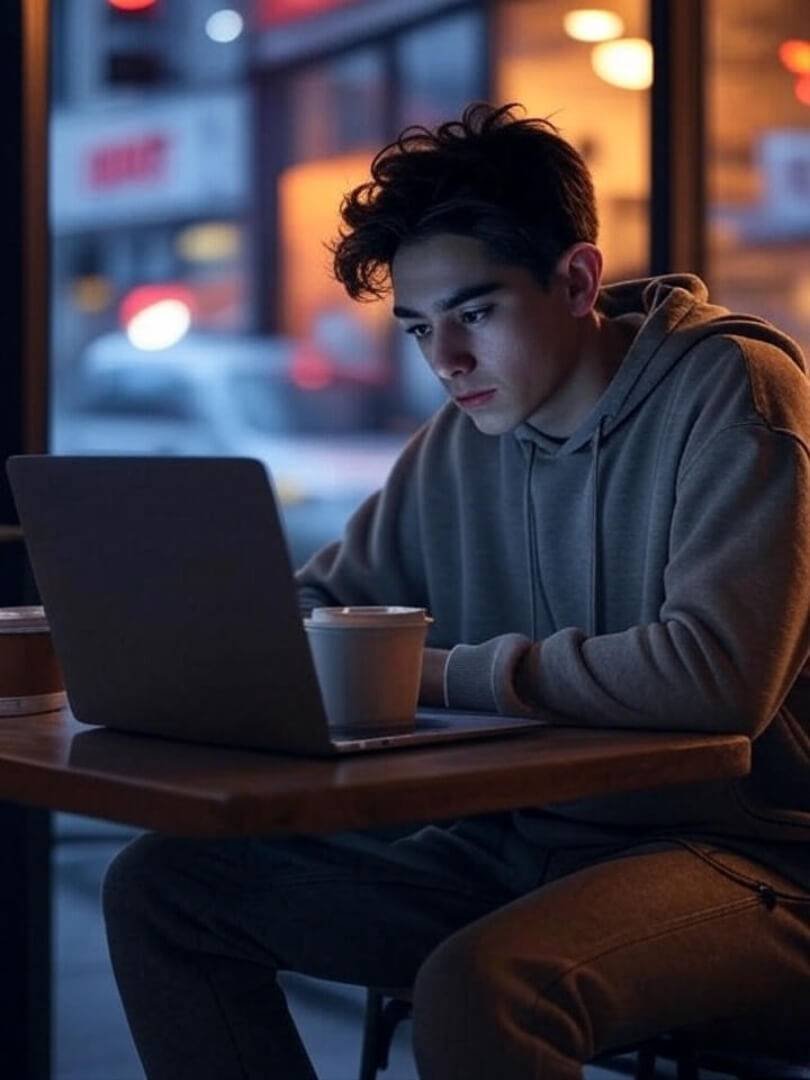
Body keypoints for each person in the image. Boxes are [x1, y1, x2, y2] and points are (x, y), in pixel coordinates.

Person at [102, 103, 810, 1080]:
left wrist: (419, 672)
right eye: (420, 328)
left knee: (487, 988)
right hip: (517, 850)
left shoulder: (732, 385)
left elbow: (714, 677)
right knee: (163, 888)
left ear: (577, 280)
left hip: (745, 863)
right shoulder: (462, 438)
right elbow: (317, 613)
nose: (446, 361)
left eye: (474, 314)